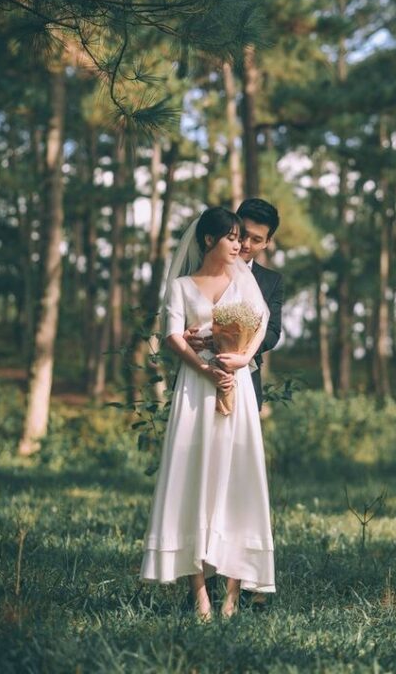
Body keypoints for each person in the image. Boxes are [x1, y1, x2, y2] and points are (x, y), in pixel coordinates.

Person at [140, 207, 275, 620]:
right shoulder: (181, 286)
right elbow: (172, 335)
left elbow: (261, 324)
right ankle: (200, 596)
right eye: (231, 237)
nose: (239, 245)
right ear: (207, 240)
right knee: (194, 478)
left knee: (237, 480)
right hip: (196, 391)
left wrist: (240, 360)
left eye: (241, 238)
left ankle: (231, 597)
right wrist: (204, 368)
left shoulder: (244, 280)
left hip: (237, 387)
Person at [185, 198, 283, 411]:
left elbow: (273, 331)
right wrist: (187, 336)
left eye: (256, 240)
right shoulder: (197, 268)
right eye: (243, 234)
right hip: (195, 374)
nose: (245, 244)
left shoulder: (271, 281)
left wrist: (238, 349)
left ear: (267, 242)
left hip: (245, 376)